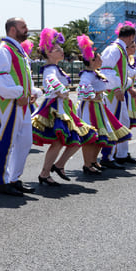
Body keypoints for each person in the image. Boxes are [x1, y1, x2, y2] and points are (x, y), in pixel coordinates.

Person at [30, 28, 96, 185]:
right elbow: (50, 80)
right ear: (49, 53)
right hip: (56, 109)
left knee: (76, 139)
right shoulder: (50, 69)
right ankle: (46, 172)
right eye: (57, 49)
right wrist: (61, 90)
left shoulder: (55, 67)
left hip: (65, 108)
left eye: (60, 48)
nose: (61, 51)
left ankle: (56, 167)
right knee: (62, 141)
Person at [0, 17, 37, 197]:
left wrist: (31, 92)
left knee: (25, 142)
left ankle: (14, 178)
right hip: (8, 104)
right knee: (7, 142)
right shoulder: (2, 51)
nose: (27, 29)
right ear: (12, 30)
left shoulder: (19, 51)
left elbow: (25, 78)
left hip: (22, 104)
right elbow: (1, 82)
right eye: (23, 27)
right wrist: (18, 94)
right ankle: (2, 181)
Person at [75, 35, 131, 175]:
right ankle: (87, 164)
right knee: (90, 137)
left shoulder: (96, 73)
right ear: (92, 61)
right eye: (99, 58)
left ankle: (94, 161)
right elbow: (82, 90)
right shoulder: (87, 75)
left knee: (101, 135)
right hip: (90, 108)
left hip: (98, 107)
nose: (102, 60)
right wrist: (94, 96)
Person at [99, 23, 136, 167]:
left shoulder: (120, 49)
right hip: (112, 94)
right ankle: (108, 157)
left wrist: (126, 86)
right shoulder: (114, 49)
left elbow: (121, 73)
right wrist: (116, 88)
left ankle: (121, 154)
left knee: (123, 123)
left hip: (117, 92)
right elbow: (106, 70)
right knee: (113, 123)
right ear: (131, 36)